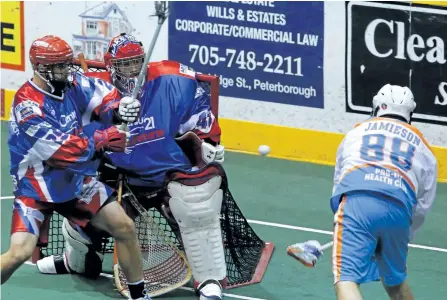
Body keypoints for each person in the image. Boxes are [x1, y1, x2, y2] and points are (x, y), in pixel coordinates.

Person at [37, 33, 226, 300]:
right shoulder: (93, 90)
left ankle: (208, 278)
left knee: (196, 201)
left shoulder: (171, 80)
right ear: (111, 65)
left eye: (137, 62)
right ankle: (75, 262)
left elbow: (198, 114)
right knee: (78, 201)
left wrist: (207, 140)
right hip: (118, 177)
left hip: (168, 174)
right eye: (124, 64)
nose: (132, 69)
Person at [1, 35, 151, 300]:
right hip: (36, 189)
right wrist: (103, 139)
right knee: (20, 253)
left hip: (75, 182)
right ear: (41, 69)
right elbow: (58, 151)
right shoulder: (27, 106)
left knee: (124, 228)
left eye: (67, 64)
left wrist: (119, 109)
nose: (67, 71)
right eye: (60, 66)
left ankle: (139, 295)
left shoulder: (71, 84)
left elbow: (102, 96)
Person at [329, 84, 438, 300]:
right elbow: (422, 207)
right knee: (396, 284)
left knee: (346, 279)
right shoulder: (425, 149)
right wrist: (402, 235)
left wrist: (345, 222)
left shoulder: (355, 133)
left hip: (357, 204)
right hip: (399, 211)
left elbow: (339, 183)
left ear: (376, 107)